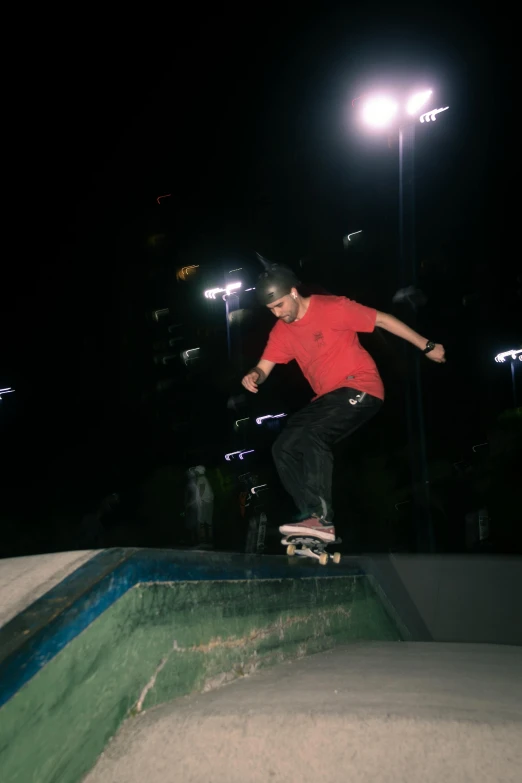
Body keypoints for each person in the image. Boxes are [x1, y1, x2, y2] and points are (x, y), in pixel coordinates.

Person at [241, 261, 445, 544]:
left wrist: (427, 346)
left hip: (360, 387)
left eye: (280, 305)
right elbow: (265, 366)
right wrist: (254, 375)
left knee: (313, 434)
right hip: (327, 399)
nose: (278, 313)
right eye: (272, 309)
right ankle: (310, 520)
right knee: (283, 447)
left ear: (293, 292)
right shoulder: (281, 331)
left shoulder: (333, 307)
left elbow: (382, 319)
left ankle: (321, 518)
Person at [184, 465, 214, 546]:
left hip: (203, 503)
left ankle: (204, 540)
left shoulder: (201, 480)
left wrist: (193, 503)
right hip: (207, 502)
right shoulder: (204, 479)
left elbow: (200, 493)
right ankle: (207, 539)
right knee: (207, 522)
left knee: (201, 522)